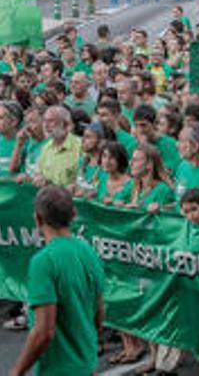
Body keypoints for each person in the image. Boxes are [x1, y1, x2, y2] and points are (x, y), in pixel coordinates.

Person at [10, 186, 105, 376]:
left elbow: (44, 331)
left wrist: (17, 371)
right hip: (87, 365)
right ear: (73, 214)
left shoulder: (43, 262)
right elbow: (99, 315)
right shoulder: (89, 252)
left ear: (38, 219)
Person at [35, 105, 81, 187]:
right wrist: (39, 178)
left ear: (66, 124)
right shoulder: (46, 148)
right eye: (44, 121)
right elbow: (39, 173)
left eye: (51, 121)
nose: (46, 125)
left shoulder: (80, 146)